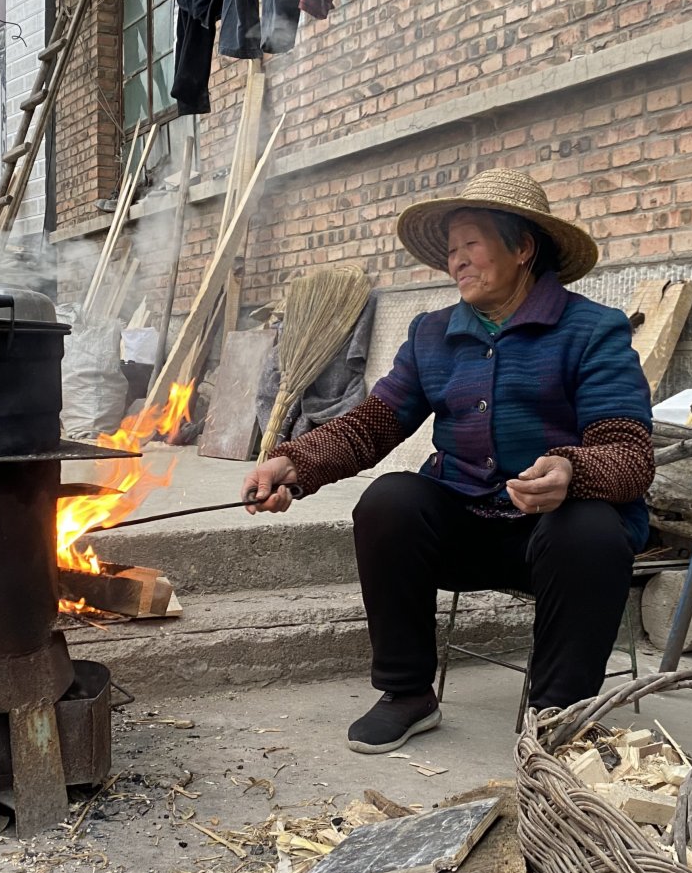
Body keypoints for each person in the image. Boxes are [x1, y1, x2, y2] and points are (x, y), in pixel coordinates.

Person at [243, 168, 655, 753]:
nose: (456, 261)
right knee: (391, 500)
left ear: (522, 248)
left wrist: (570, 470)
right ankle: (407, 694)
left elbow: (630, 454)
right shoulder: (432, 334)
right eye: (451, 250)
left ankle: (557, 720)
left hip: (557, 540)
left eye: (471, 245)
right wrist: (296, 464)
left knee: (589, 528)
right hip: (466, 529)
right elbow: (375, 422)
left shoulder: (591, 330)